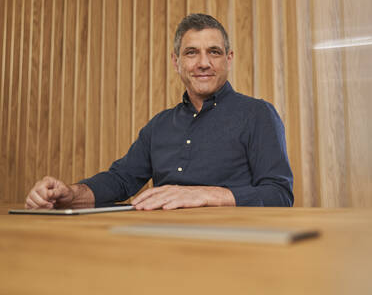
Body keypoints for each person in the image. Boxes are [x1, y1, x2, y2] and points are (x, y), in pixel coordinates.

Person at [25, 13, 294, 210]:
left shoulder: (258, 114)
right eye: (191, 53)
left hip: (233, 248)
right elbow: (120, 180)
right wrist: (69, 194)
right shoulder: (159, 125)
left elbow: (279, 195)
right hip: (158, 244)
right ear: (176, 62)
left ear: (229, 59)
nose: (203, 63)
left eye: (213, 52)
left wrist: (205, 195)